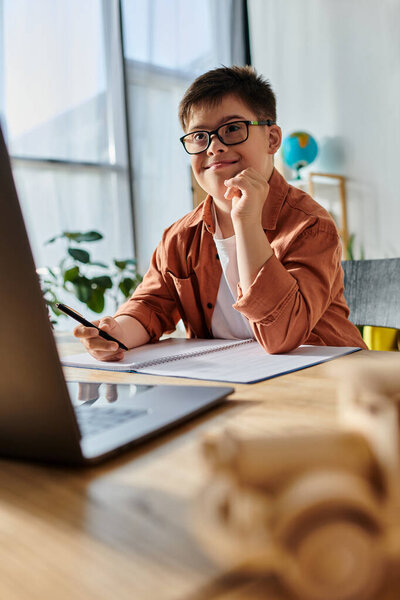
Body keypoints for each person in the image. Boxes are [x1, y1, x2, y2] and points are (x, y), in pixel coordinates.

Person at [74, 65, 367, 360]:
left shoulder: (311, 225)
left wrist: (247, 222)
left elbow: (282, 336)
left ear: (272, 139)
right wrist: (116, 334)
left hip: (324, 378)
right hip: (234, 384)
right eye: (199, 136)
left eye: (232, 129)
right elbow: (150, 306)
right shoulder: (180, 237)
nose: (214, 146)